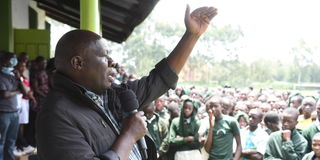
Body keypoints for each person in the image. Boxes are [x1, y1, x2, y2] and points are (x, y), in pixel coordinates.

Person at [36, 5, 218, 160]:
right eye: (104, 57)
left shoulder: (114, 94)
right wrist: (129, 136)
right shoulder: (55, 116)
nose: (112, 62)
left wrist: (191, 35)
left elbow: (158, 80)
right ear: (78, 63)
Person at [0, 51, 27, 160]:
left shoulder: (14, 74)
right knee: (1, 141)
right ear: (5, 61)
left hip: (14, 112)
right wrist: (17, 91)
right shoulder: (1, 76)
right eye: (12, 59)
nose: (14, 61)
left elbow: (25, 92)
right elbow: (4, 94)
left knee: (11, 140)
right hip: (3, 113)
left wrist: (19, 77)